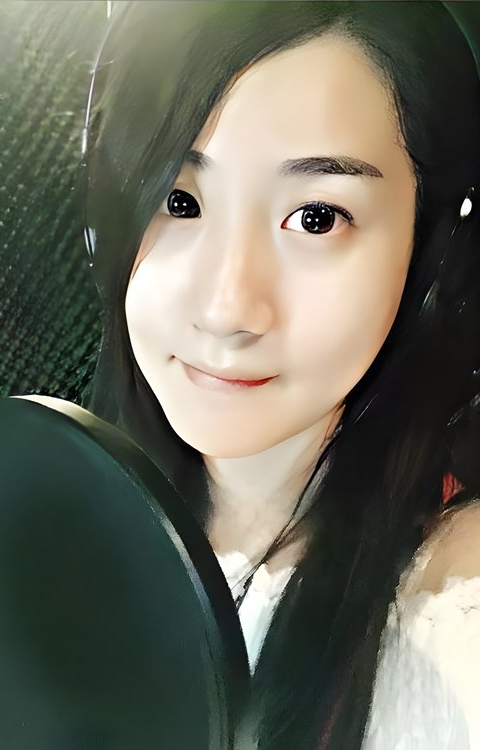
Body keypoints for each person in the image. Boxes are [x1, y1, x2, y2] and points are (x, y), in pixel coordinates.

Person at [81, 1, 480, 747]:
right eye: (179, 200)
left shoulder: (456, 617)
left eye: (317, 218)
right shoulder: (48, 532)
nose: (227, 309)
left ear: (433, 255)